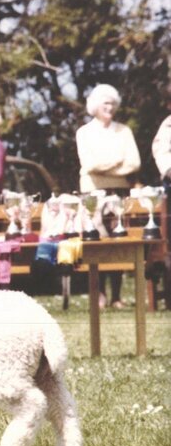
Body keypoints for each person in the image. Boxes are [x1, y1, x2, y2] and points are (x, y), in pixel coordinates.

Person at [76, 84, 141, 309]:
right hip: (92, 192)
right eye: (105, 103)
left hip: (119, 192)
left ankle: (116, 296)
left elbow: (134, 163)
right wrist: (116, 161)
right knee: (96, 241)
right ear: (95, 106)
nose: (110, 107)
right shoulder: (84, 132)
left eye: (113, 103)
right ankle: (99, 294)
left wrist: (104, 167)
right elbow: (89, 164)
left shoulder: (124, 131)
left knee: (118, 240)